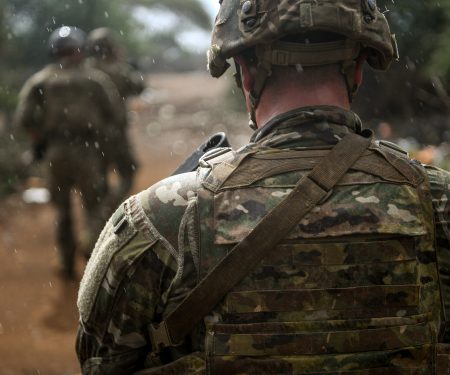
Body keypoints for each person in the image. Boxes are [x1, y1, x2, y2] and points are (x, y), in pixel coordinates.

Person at [76, 1, 450, 374]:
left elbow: (99, 362)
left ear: (246, 75)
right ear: (357, 72)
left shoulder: (160, 215)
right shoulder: (438, 202)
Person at [14, 26, 123, 279]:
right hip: (88, 150)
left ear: (54, 51)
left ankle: (65, 262)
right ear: (80, 49)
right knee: (93, 207)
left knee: (62, 211)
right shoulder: (95, 80)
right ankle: (91, 252)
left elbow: (24, 120)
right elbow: (115, 116)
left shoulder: (40, 80)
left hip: (55, 152)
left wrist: (42, 137)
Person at [84, 27, 145, 206]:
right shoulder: (120, 70)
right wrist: (132, 67)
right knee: (128, 171)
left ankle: (101, 213)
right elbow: (139, 88)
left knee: (100, 175)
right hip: (116, 132)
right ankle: (111, 207)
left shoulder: (86, 69)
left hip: (91, 134)